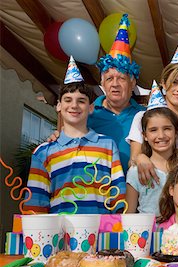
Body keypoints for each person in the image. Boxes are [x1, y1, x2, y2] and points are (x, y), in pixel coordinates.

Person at [25, 57, 126, 214]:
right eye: (67, 100)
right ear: (59, 106)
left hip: (101, 232)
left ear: (91, 107)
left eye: (81, 101)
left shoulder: (107, 145)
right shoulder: (43, 152)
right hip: (60, 235)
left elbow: (118, 196)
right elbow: (36, 204)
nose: (74, 105)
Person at [48, 14, 145, 173]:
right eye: (109, 78)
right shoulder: (85, 112)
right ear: (102, 84)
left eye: (121, 78)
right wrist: (58, 137)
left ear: (133, 83)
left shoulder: (145, 116)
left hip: (131, 193)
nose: (114, 84)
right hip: (91, 191)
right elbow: (65, 137)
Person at [127, 39, 178, 185]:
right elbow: (133, 159)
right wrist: (140, 158)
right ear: (163, 83)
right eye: (174, 82)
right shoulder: (142, 117)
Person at [125, 86, 178, 214]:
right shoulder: (135, 172)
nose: (161, 135)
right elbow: (129, 215)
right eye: (153, 130)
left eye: (167, 128)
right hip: (147, 233)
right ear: (144, 136)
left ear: (176, 132)